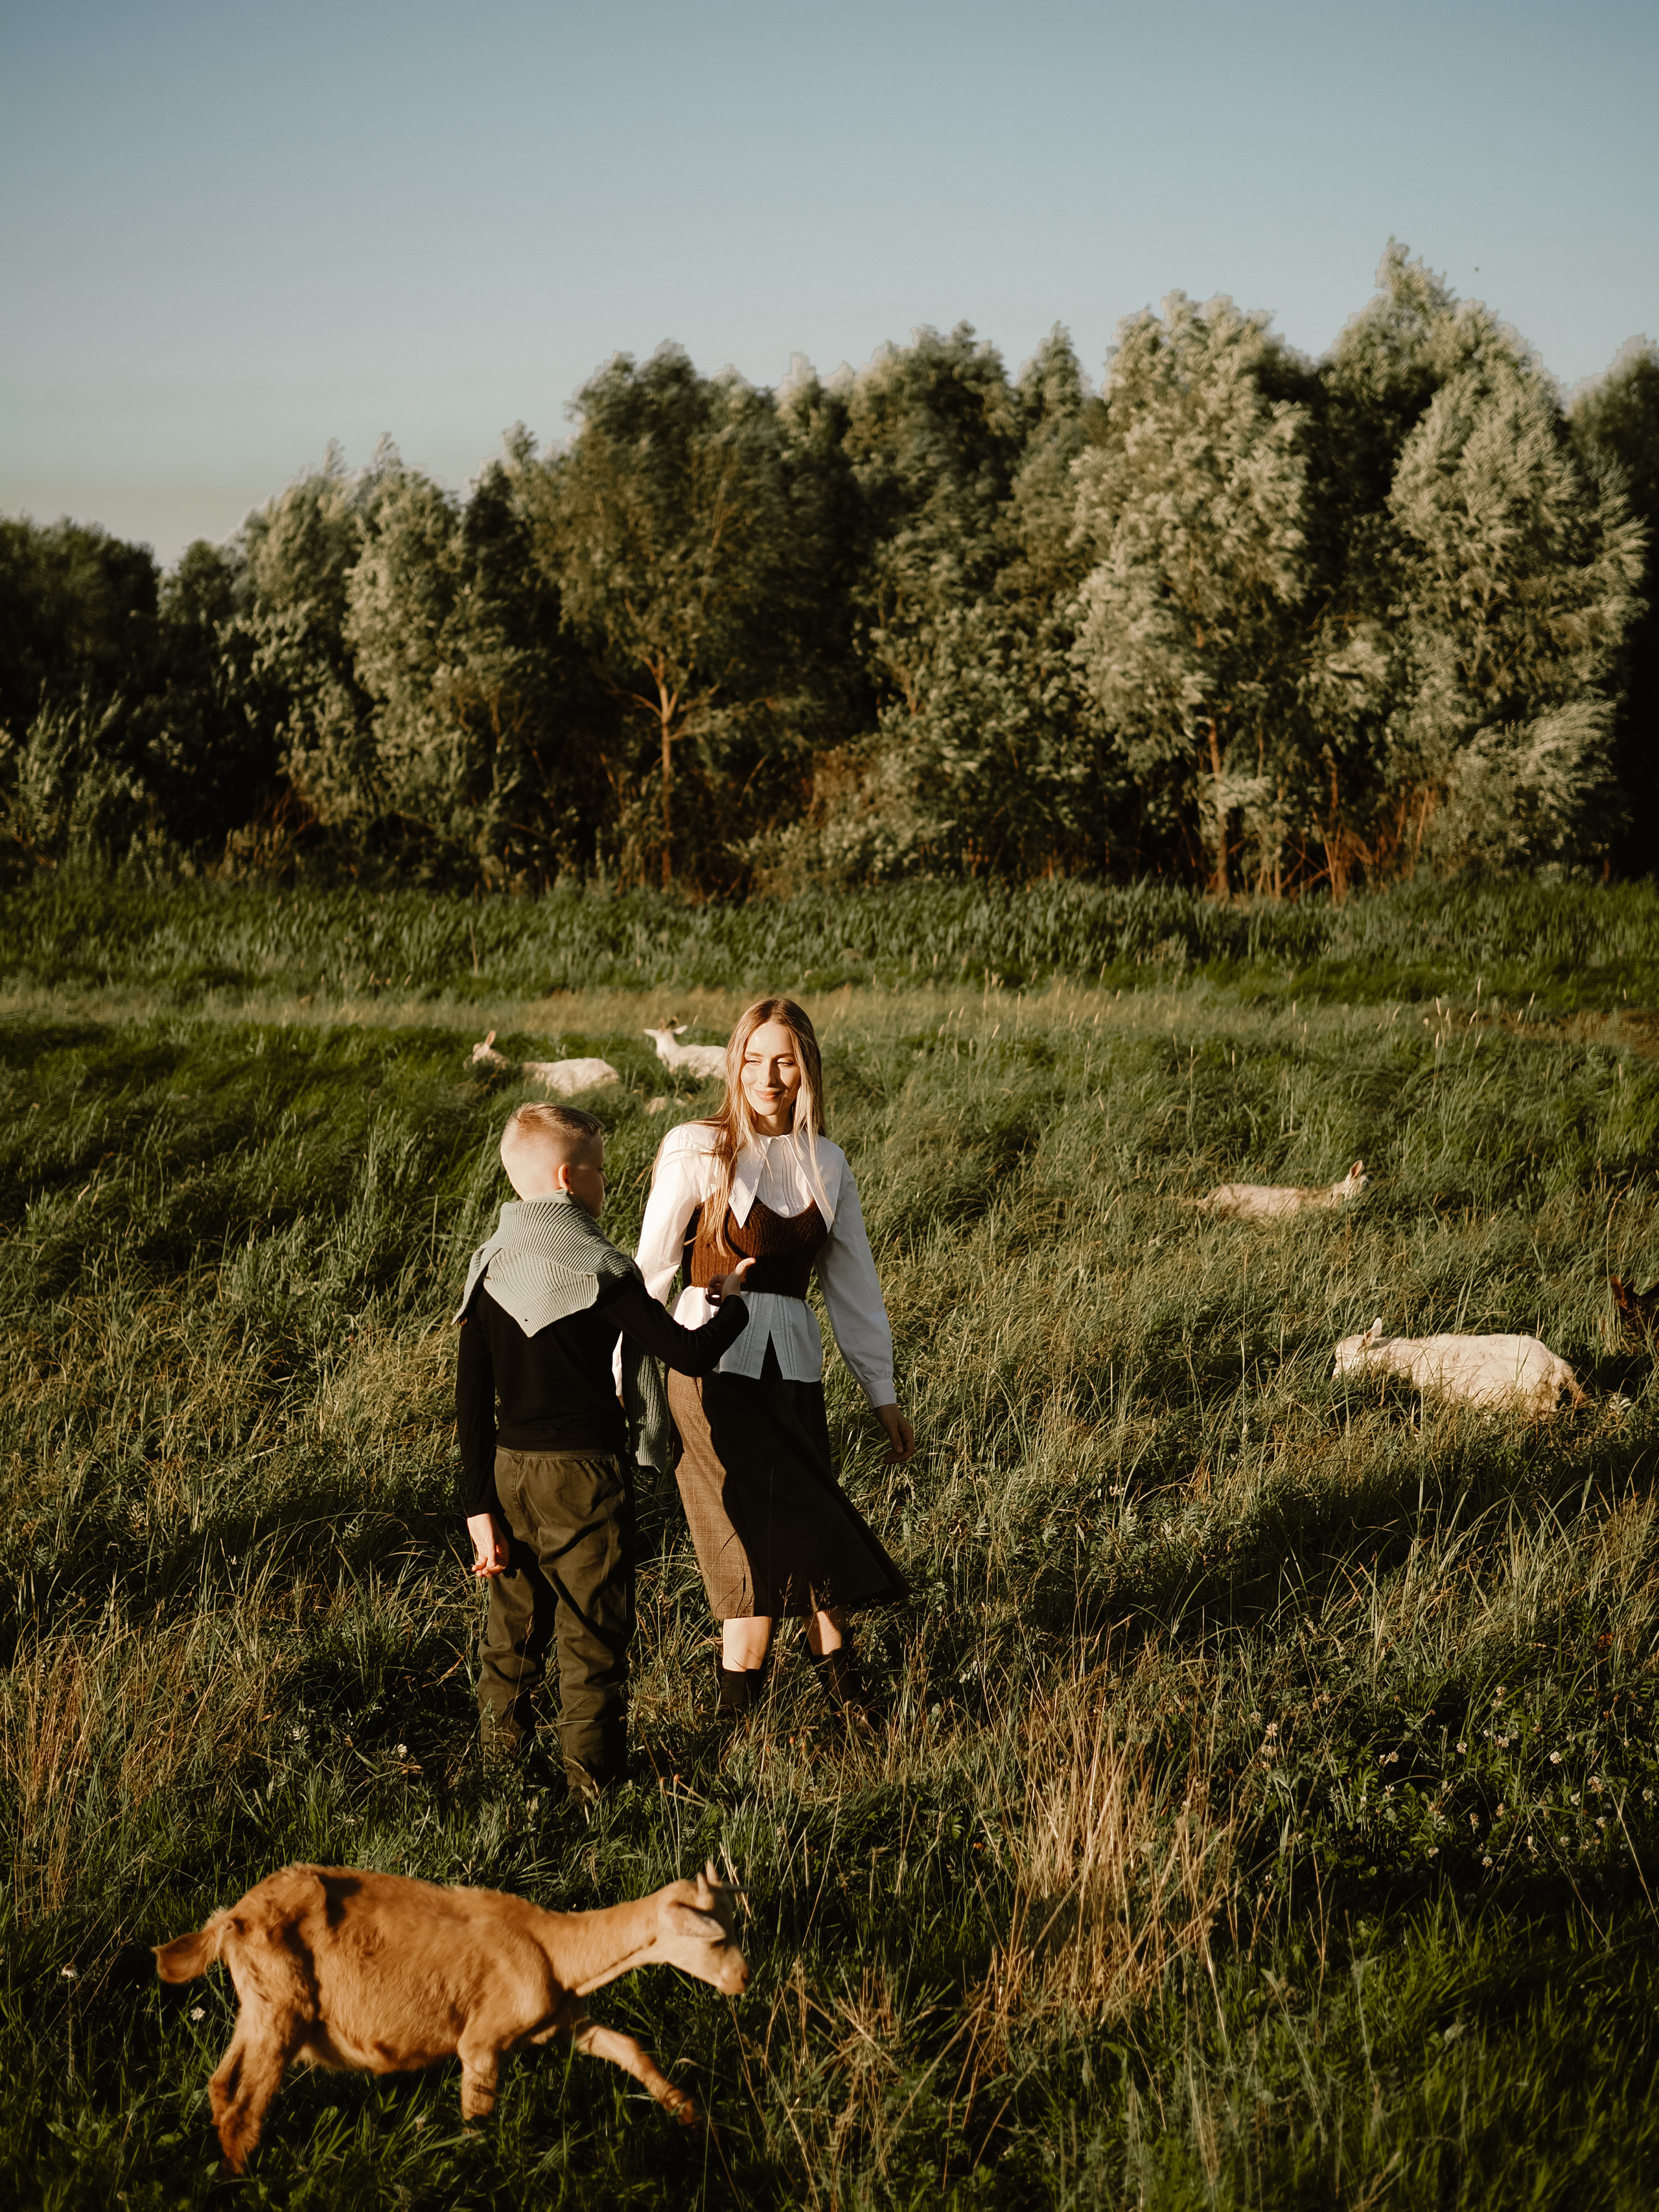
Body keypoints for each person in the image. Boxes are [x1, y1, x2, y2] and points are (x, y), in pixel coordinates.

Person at [456, 1100, 751, 1799]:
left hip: (508, 1472)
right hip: (583, 1475)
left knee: (511, 1636)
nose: (607, 1184)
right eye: (601, 1172)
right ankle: (594, 1796)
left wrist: (479, 1507)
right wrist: (733, 1300)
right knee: (590, 1638)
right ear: (567, 1178)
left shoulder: (488, 1265)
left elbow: (470, 1401)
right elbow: (687, 1351)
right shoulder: (603, 1266)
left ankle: (501, 1778)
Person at [634, 996, 915, 1723]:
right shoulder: (697, 1146)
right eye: (754, 1060)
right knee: (752, 1539)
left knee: (814, 1527)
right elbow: (647, 1275)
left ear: (807, 1068)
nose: (768, 1076)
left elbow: (854, 1286)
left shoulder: (827, 1161)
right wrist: (616, 1385)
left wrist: (881, 1394)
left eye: (784, 1060)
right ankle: (750, 1720)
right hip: (708, 1372)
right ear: (733, 1064)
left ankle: (838, 1705)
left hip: (793, 1374)